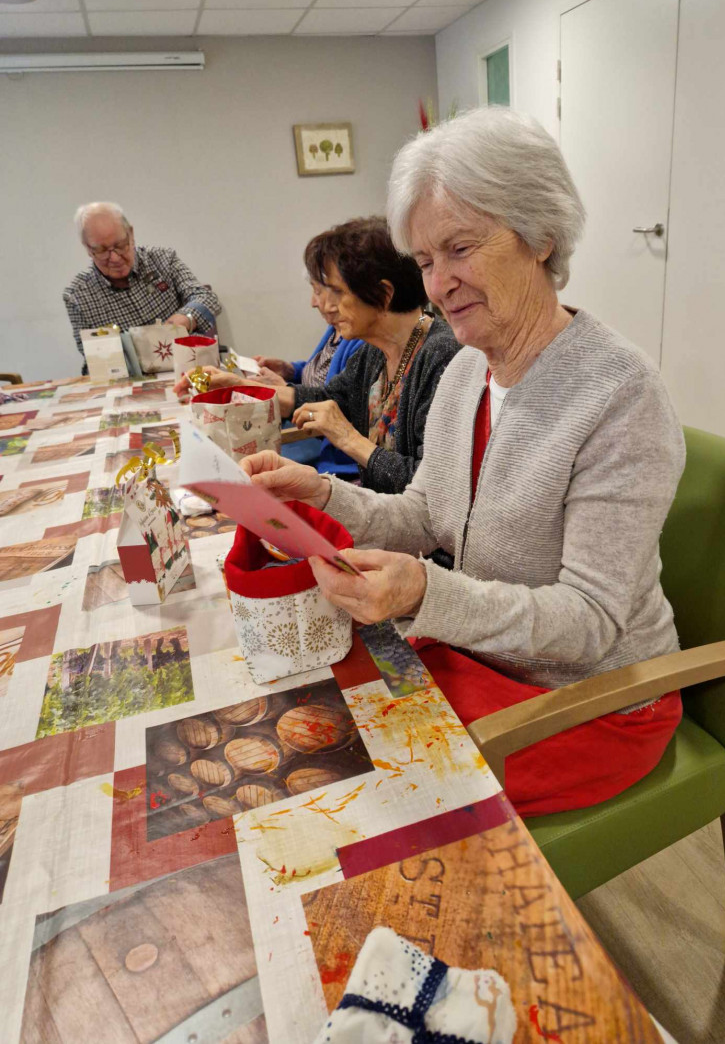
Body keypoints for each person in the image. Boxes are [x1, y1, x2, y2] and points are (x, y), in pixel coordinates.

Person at [239, 107, 686, 818]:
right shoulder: (466, 370)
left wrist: (425, 594)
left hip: (594, 697)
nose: (439, 283)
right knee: (314, 725)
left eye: (460, 248)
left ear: (541, 235)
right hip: (485, 655)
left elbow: (590, 622)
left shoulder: (620, 395)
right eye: (424, 261)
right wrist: (321, 492)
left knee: (366, 787)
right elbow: (423, 514)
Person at [176, 216, 460, 494]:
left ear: (383, 294)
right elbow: (324, 401)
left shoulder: (442, 357)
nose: (322, 304)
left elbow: (433, 490)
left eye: (335, 291)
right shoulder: (373, 353)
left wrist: (348, 438)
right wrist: (237, 386)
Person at [64, 202, 221, 373]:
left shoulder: (164, 260)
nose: (115, 258)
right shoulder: (77, 296)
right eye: (102, 251)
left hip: (191, 369)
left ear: (131, 233)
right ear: (87, 249)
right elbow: (94, 361)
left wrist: (187, 318)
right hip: (131, 382)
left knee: (202, 396)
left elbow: (206, 298)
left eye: (121, 245)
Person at [254, 271, 364, 476]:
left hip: (331, 457)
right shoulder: (336, 329)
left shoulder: (358, 339)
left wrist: (285, 390)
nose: (314, 302)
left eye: (318, 291)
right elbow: (324, 376)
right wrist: (291, 371)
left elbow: (335, 403)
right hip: (316, 440)